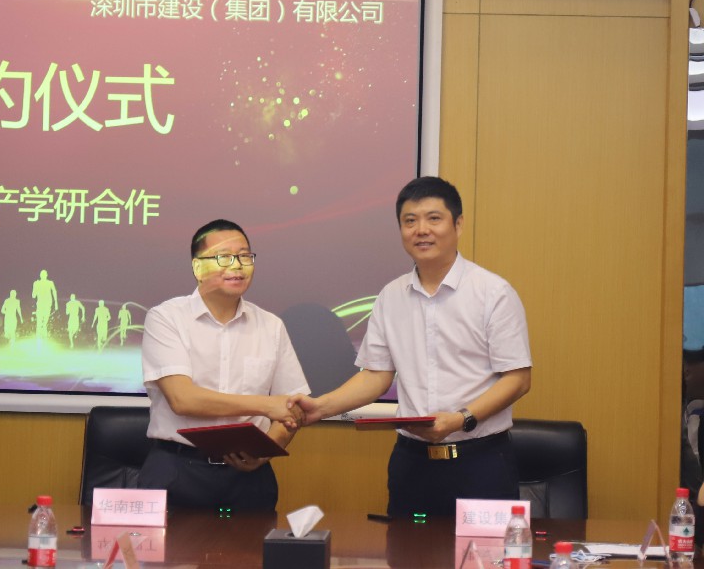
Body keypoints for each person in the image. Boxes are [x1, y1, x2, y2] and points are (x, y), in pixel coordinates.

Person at [290, 177, 532, 517]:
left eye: (434, 218)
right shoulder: (391, 297)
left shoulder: (493, 293)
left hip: (481, 462)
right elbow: (376, 376)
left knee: (485, 551)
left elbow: (518, 379)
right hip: (412, 464)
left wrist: (460, 419)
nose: (421, 230)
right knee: (405, 548)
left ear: (458, 224)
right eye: (410, 221)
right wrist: (320, 407)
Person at [137, 219, 309, 511]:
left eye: (244, 256)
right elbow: (183, 399)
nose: (237, 266)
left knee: (255, 544)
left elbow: (293, 408)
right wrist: (265, 406)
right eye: (224, 257)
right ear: (197, 267)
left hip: (250, 478)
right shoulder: (166, 318)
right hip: (178, 471)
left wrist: (268, 449)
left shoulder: (271, 326)